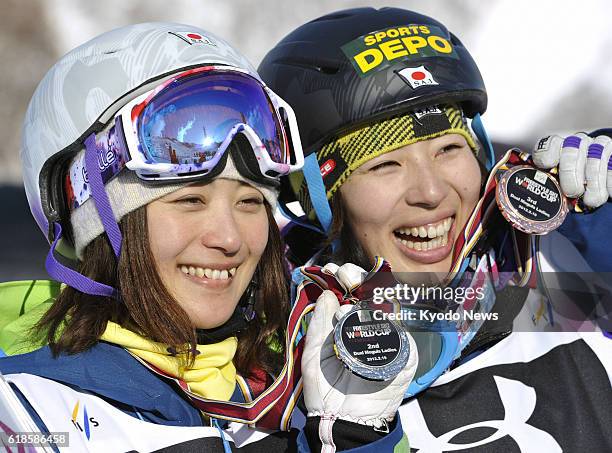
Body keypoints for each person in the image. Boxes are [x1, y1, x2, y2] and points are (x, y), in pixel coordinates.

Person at [0, 22, 418, 452]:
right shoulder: (29, 411)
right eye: (190, 201)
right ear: (97, 223)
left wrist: (357, 439)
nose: (229, 239)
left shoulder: (295, 381)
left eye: (250, 203)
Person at [259, 7, 612, 451]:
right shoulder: (277, 366)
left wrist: (601, 225)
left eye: (448, 149)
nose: (430, 192)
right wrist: (355, 440)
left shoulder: (563, 268)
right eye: (386, 165)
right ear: (320, 197)